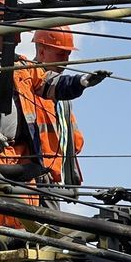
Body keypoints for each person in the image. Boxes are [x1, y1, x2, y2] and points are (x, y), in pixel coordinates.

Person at [0, 11, 107, 227]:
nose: (19, 39)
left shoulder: (22, 66)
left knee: (27, 225)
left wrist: (80, 82)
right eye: (15, 31)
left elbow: (50, 85)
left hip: (22, 159)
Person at [32, 26, 89, 187]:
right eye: (60, 54)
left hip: (55, 176)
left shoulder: (63, 96)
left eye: (67, 55)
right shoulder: (27, 84)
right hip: (35, 174)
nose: (65, 61)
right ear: (42, 52)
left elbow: (75, 139)